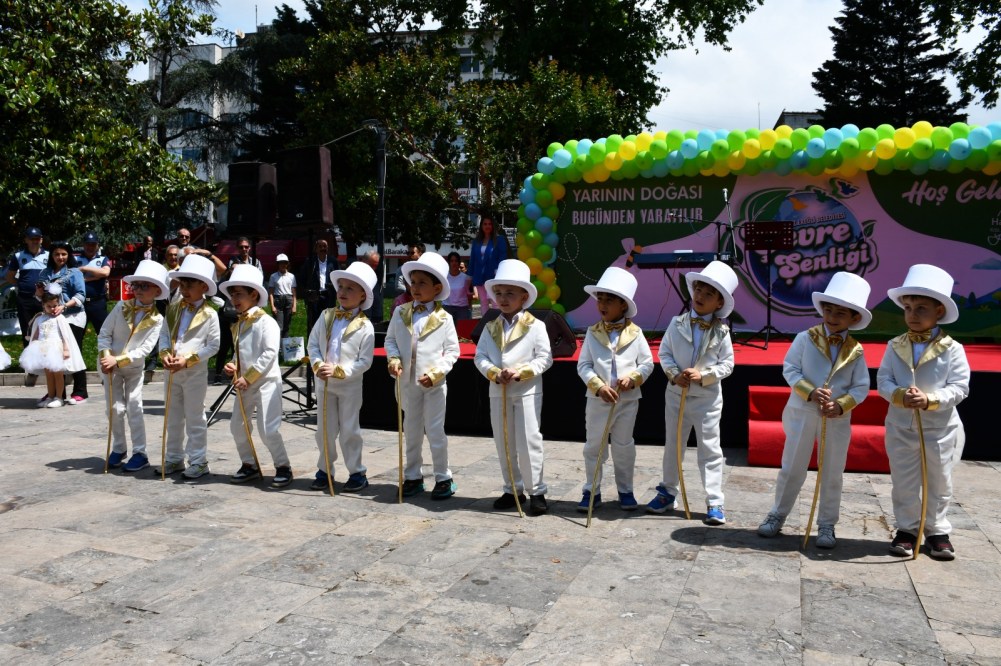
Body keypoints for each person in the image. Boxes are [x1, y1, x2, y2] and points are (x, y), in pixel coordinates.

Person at [756, 272, 873, 548]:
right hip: (803, 411)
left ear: (854, 317)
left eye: (841, 313)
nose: (832, 317)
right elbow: (790, 369)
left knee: (832, 471)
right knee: (792, 465)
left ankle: (827, 523)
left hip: (836, 418)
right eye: (828, 309)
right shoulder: (805, 338)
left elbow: (861, 386)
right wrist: (809, 391)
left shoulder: (856, 350)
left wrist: (841, 404)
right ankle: (778, 514)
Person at [877, 264, 970, 560]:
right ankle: (907, 529)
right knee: (904, 481)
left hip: (939, 429)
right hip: (901, 425)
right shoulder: (895, 345)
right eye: (908, 308)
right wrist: (899, 395)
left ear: (939, 311)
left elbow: (960, 387)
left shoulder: (953, 348)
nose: (912, 315)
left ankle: (937, 531)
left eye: (921, 309)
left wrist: (930, 399)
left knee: (939, 481)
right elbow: (883, 380)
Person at [646, 260, 739, 525]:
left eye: (709, 294)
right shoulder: (676, 323)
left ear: (719, 303)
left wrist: (705, 376)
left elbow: (728, 364)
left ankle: (714, 501)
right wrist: (674, 374)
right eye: (698, 290)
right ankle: (667, 492)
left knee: (709, 448)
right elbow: (664, 353)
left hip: (707, 400)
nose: (700, 296)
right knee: (673, 445)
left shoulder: (722, 332)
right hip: (677, 396)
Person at [473, 259, 554, 515]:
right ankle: (512, 488)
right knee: (503, 440)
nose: (503, 298)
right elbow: (479, 356)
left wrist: (522, 372)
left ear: (524, 296)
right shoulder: (490, 327)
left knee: (529, 440)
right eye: (499, 293)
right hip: (499, 391)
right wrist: (494, 373)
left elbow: (545, 358)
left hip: (527, 391)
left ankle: (537, 490)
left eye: (510, 293)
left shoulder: (536, 326)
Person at [575, 267, 654, 512]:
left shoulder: (636, 333)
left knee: (624, 446)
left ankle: (626, 490)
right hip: (598, 400)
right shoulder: (592, 332)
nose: (602, 304)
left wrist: (633, 378)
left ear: (623, 305)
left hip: (627, 400)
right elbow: (584, 365)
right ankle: (591, 489)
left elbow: (647, 363)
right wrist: (598, 386)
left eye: (609, 300)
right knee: (594, 445)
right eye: (600, 299)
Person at [384, 252, 460, 500]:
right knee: (412, 430)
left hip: (433, 385)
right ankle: (413, 476)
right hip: (408, 383)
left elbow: (453, 351)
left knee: (435, 431)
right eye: (413, 282)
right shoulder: (400, 312)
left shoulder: (445, 318)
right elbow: (390, 340)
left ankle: (443, 477)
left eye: (422, 283)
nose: (415, 287)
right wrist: (394, 359)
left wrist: (437, 373)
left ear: (437, 288)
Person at [220, 264, 293, 488]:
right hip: (244, 383)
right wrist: (233, 364)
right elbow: (240, 351)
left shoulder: (266, 322)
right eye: (232, 295)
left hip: (266, 383)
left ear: (254, 295)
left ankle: (283, 466)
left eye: (239, 294)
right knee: (237, 426)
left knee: (267, 428)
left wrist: (249, 376)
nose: (234, 299)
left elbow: (270, 353)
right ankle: (248, 463)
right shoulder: (240, 323)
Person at [307, 262, 377, 492]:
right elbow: (313, 344)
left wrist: (340, 371)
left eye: (350, 288)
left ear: (363, 295)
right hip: (325, 384)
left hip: (349, 386)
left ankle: (357, 472)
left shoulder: (365, 326)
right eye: (341, 287)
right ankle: (324, 469)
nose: (343, 292)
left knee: (349, 430)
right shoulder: (326, 316)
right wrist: (318, 365)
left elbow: (365, 361)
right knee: (324, 430)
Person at [98, 260, 169, 472]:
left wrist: (119, 360)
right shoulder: (121, 306)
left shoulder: (158, 319)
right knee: (114, 408)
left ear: (157, 291)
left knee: (134, 406)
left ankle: (140, 452)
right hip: (110, 367)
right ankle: (119, 447)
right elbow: (104, 334)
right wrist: (106, 357)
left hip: (134, 369)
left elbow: (145, 349)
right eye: (136, 285)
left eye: (144, 286)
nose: (138, 290)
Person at [156, 254, 221, 480]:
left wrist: (189, 360)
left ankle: (199, 460)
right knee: (172, 416)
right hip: (172, 371)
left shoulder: (210, 314)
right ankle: (174, 457)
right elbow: (164, 335)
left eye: (190, 285)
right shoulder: (173, 308)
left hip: (194, 372)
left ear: (203, 286)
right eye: (182, 285)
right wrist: (165, 354)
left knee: (195, 416)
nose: (184, 290)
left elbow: (213, 345)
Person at [34, 240, 88, 404]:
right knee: (54, 355)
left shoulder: (74, 272)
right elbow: (41, 298)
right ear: (51, 255)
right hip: (52, 318)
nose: (60, 257)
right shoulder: (44, 273)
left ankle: (80, 392)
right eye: (57, 254)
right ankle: (57, 394)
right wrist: (39, 293)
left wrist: (64, 306)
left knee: (73, 352)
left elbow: (81, 295)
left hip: (73, 316)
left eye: (64, 254)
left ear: (69, 255)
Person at [19, 284, 86, 408]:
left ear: (58, 304)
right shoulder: (40, 318)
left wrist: (66, 349)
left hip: (56, 349)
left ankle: (59, 397)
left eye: (54, 306)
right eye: (48, 306)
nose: (52, 308)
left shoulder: (60, 318)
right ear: (43, 305)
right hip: (43, 349)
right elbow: (36, 334)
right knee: (49, 375)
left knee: (57, 374)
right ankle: (50, 396)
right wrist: (32, 347)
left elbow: (65, 335)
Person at [213, 237, 260, 384]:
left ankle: (237, 373)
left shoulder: (256, 263)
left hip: (243, 315)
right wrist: (224, 304)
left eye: (246, 247)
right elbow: (216, 294)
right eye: (241, 247)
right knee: (224, 344)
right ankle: (218, 374)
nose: (244, 249)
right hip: (226, 317)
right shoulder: (228, 276)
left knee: (239, 344)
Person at [5, 226, 48, 350]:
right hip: (25, 299)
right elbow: (10, 276)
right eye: (31, 239)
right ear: (26, 240)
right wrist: (22, 284)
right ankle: (28, 358)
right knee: (27, 330)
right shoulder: (18, 256)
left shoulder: (49, 255)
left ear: (41, 240)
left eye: (37, 238)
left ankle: (45, 356)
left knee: (45, 328)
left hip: (44, 299)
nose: (34, 241)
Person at [467, 216, 509, 315]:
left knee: (495, 302)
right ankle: (485, 322)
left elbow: (502, 256)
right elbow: (473, 259)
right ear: (481, 226)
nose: (487, 226)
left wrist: (498, 271)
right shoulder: (476, 241)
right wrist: (469, 277)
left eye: (489, 224)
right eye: (485, 224)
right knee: (483, 302)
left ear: (493, 226)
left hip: (493, 276)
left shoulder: (499, 239)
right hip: (479, 276)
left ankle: (498, 322)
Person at [77, 230, 112, 343]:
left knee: (104, 335)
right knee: (77, 336)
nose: (90, 247)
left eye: (93, 244)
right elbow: (72, 275)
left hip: (98, 302)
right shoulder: (76, 259)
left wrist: (84, 269)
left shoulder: (103, 259)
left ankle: (106, 355)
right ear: (83, 245)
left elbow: (105, 273)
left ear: (97, 245)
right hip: (79, 303)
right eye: (88, 244)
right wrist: (95, 276)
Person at [300, 238, 339, 332]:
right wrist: (307, 291)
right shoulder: (310, 262)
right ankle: (314, 340)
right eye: (320, 246)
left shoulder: (333, 261)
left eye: (324, 246)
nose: (322, 248)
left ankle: (327, 340)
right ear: (316, 249)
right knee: (314, 322)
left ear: (328, 248)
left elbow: (338, 278)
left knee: (329, 322)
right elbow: (302, 278)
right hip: (315, 296)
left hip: (329, 296)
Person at [268, 253, 297, 339]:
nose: (283, 265)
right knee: (279, 325)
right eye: (280, 263)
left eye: (284, 263)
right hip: (278, 300)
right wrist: (272, 306)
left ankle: (285, 344)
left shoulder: (291, 276)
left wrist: (294, 306)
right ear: (277, 264)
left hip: (288, 300)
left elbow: (294, 292)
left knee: (286, 325)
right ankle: (278, 344)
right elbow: (271, 292)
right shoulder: (273, 276)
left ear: (287, 264)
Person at [392, 243, 424, 312]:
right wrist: (412, 293)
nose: (409, 255)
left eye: (412, 253)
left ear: (420, 254)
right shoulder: (402, 269)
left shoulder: (425, 269)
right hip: (405, 303)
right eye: (408, 253)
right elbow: (399, 286)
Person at [443, 251, 473, 320]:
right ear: (449, 263)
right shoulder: (444, 277)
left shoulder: (466, 278)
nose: (454, 263)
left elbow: (469, 295)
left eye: (456, 261)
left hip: (462, 309)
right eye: (452, 261)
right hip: (447, 308)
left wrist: (469, 308)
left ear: (459, 262)